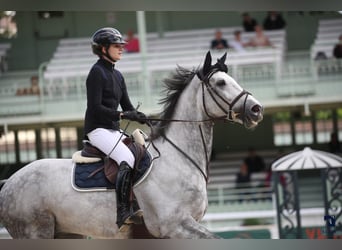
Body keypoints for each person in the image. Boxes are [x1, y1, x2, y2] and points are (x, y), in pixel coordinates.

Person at [84, 27, 147, 230]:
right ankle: (123, 211)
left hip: (113, 129)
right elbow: (95, 107)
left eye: (122, 45)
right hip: (98, 130)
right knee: (127, 158)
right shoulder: (96, 72)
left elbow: (127, 106)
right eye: (116, 45)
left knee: (142, 150)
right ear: (103, 49)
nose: (121, 49)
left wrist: (141, 117)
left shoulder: (118, 75)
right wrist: (122, 115)